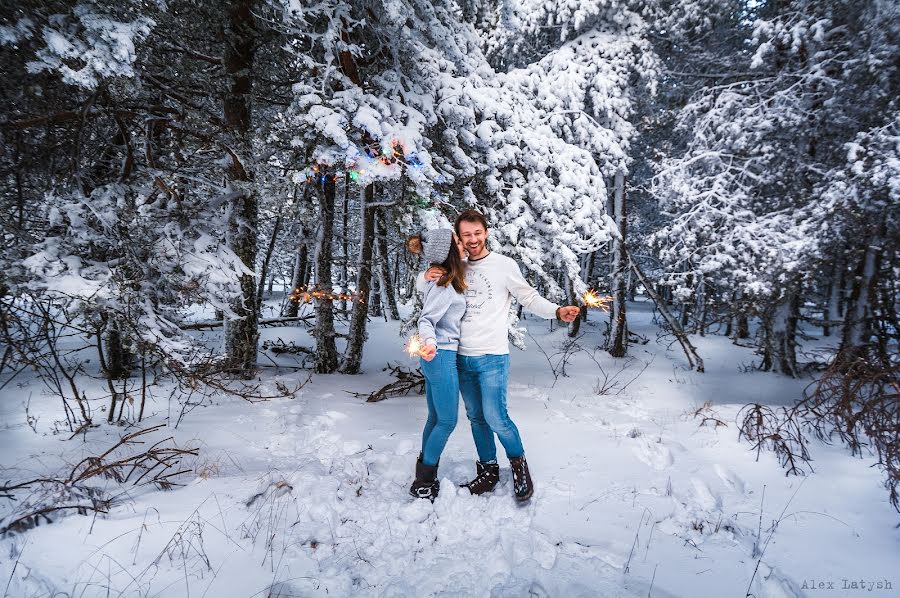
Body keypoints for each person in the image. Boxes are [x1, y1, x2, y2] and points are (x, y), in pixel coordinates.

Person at [421, 209, 580, 501]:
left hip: (492, 357)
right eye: (466, 234)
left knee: (497, 417)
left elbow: (529, 297)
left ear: (486, 232)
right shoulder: (455, 266)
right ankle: (489, 470)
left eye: (477, 233)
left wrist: (557, 311)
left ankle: (519, 466)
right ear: (459, 237)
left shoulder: (503, 265)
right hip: (459, 358)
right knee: (476, 418)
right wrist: (425, 275)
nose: (472, 240)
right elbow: (430, 293)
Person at [405, 228, 468, 501]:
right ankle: (424, 480)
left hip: (437, 355)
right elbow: (426, 320)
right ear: (449, 250)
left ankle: (424, 470)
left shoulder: (444, 277)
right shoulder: (445, 283)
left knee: (436, 418)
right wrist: (430, 343)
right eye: (457, 241)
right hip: (439, 354)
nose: (463, 243)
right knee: (448, 421)